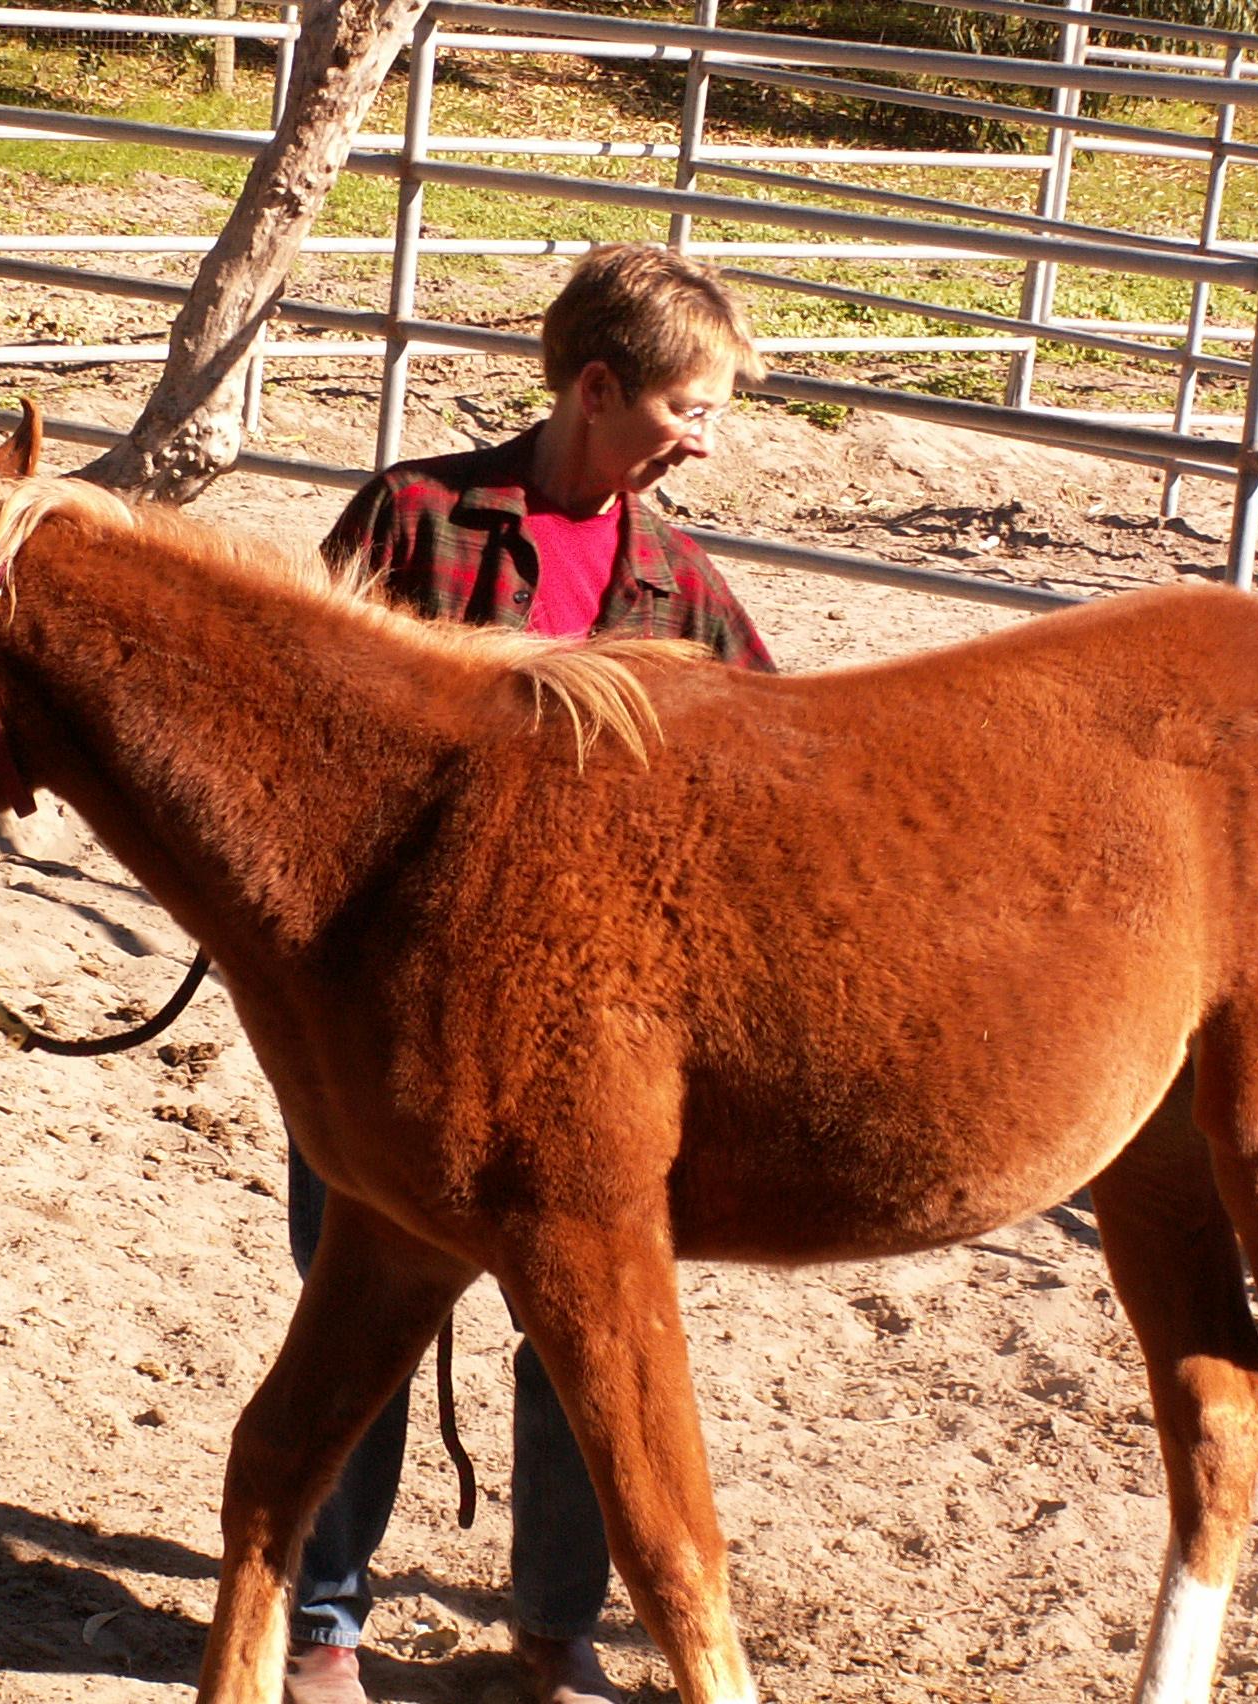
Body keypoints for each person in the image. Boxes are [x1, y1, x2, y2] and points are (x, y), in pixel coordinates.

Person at [284, 242, 778, 1704]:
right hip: (392, 1021)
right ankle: (325, 1621)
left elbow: (772, 773)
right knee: (356, 1317)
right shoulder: (413, 520)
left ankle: (553, 1627)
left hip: (588, 1047)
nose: (704, 442)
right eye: (689, 407)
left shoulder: (680, 585)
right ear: (597, 387)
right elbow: (295, 740)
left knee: (587, 1337)